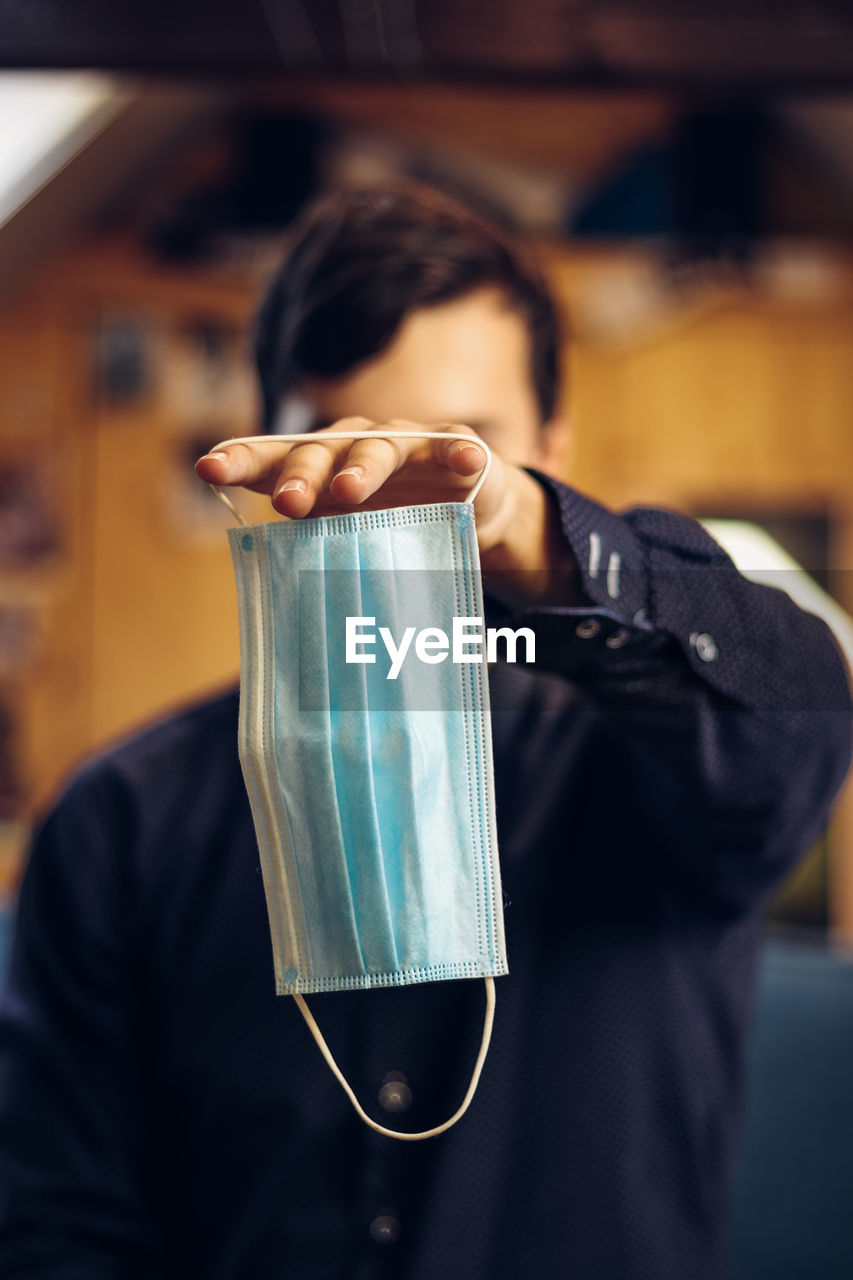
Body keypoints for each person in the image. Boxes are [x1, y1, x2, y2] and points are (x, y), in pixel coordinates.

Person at [0, 183, 850, 1280]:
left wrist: (532, 532)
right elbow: (55, 1219)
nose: (395, 493)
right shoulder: (124, 817)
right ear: (270, 454)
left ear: (550, 444)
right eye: (344, 444)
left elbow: (801, 714)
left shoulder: (650, 759)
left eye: (457, 449)